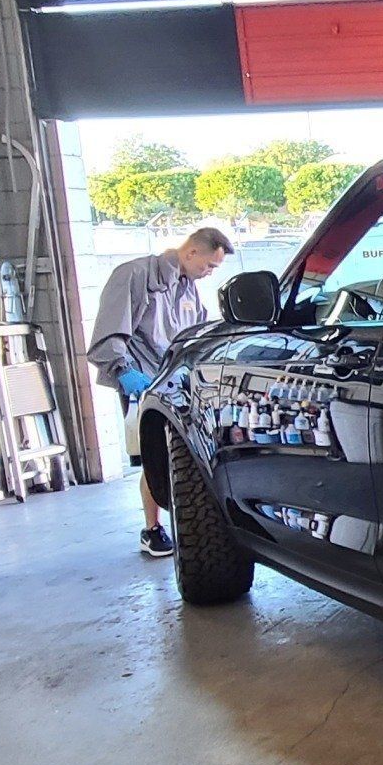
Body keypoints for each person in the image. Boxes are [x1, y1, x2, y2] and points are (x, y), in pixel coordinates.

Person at [87, 226, 232, 556]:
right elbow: (108, 335)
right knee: (156, 459)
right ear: (191, 252)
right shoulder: (134, 276)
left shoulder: (188, 289)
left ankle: (190, 524)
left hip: (177, 383)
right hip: (143, 382)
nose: (208, 274)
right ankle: (152, 529)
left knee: (183, 458)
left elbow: (196, 334)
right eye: (208, 266)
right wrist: (124, 373)